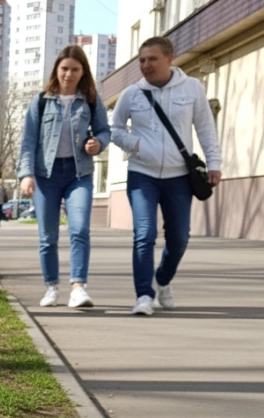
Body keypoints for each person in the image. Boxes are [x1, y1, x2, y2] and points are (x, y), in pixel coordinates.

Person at [109, 37, 221, 315]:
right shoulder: (132, 93)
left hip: (179, 177)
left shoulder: (192, 88)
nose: (146, 65)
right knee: (144, 234)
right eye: (142, 60)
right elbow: (115, 129)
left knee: (179, 238)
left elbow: (205, 128)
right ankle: (143, 295)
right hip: (142, 175)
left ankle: (163, 279)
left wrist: (215, 163)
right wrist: (136, 145)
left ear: (170, 58)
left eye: (152, 59)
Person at [17, 45, 111, 309]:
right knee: (48, 236)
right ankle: (51, 287)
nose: (69, 74)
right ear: (56, 70)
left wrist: (98, 143)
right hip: (45, 175)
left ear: (83, 72)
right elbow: (28, 142)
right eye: (64, 69)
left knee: (79, 229)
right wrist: (26, 174)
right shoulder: (41, 101)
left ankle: (78, 288)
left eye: (75, 69)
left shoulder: (91, 100)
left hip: (78, 174)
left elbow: (104, 131)